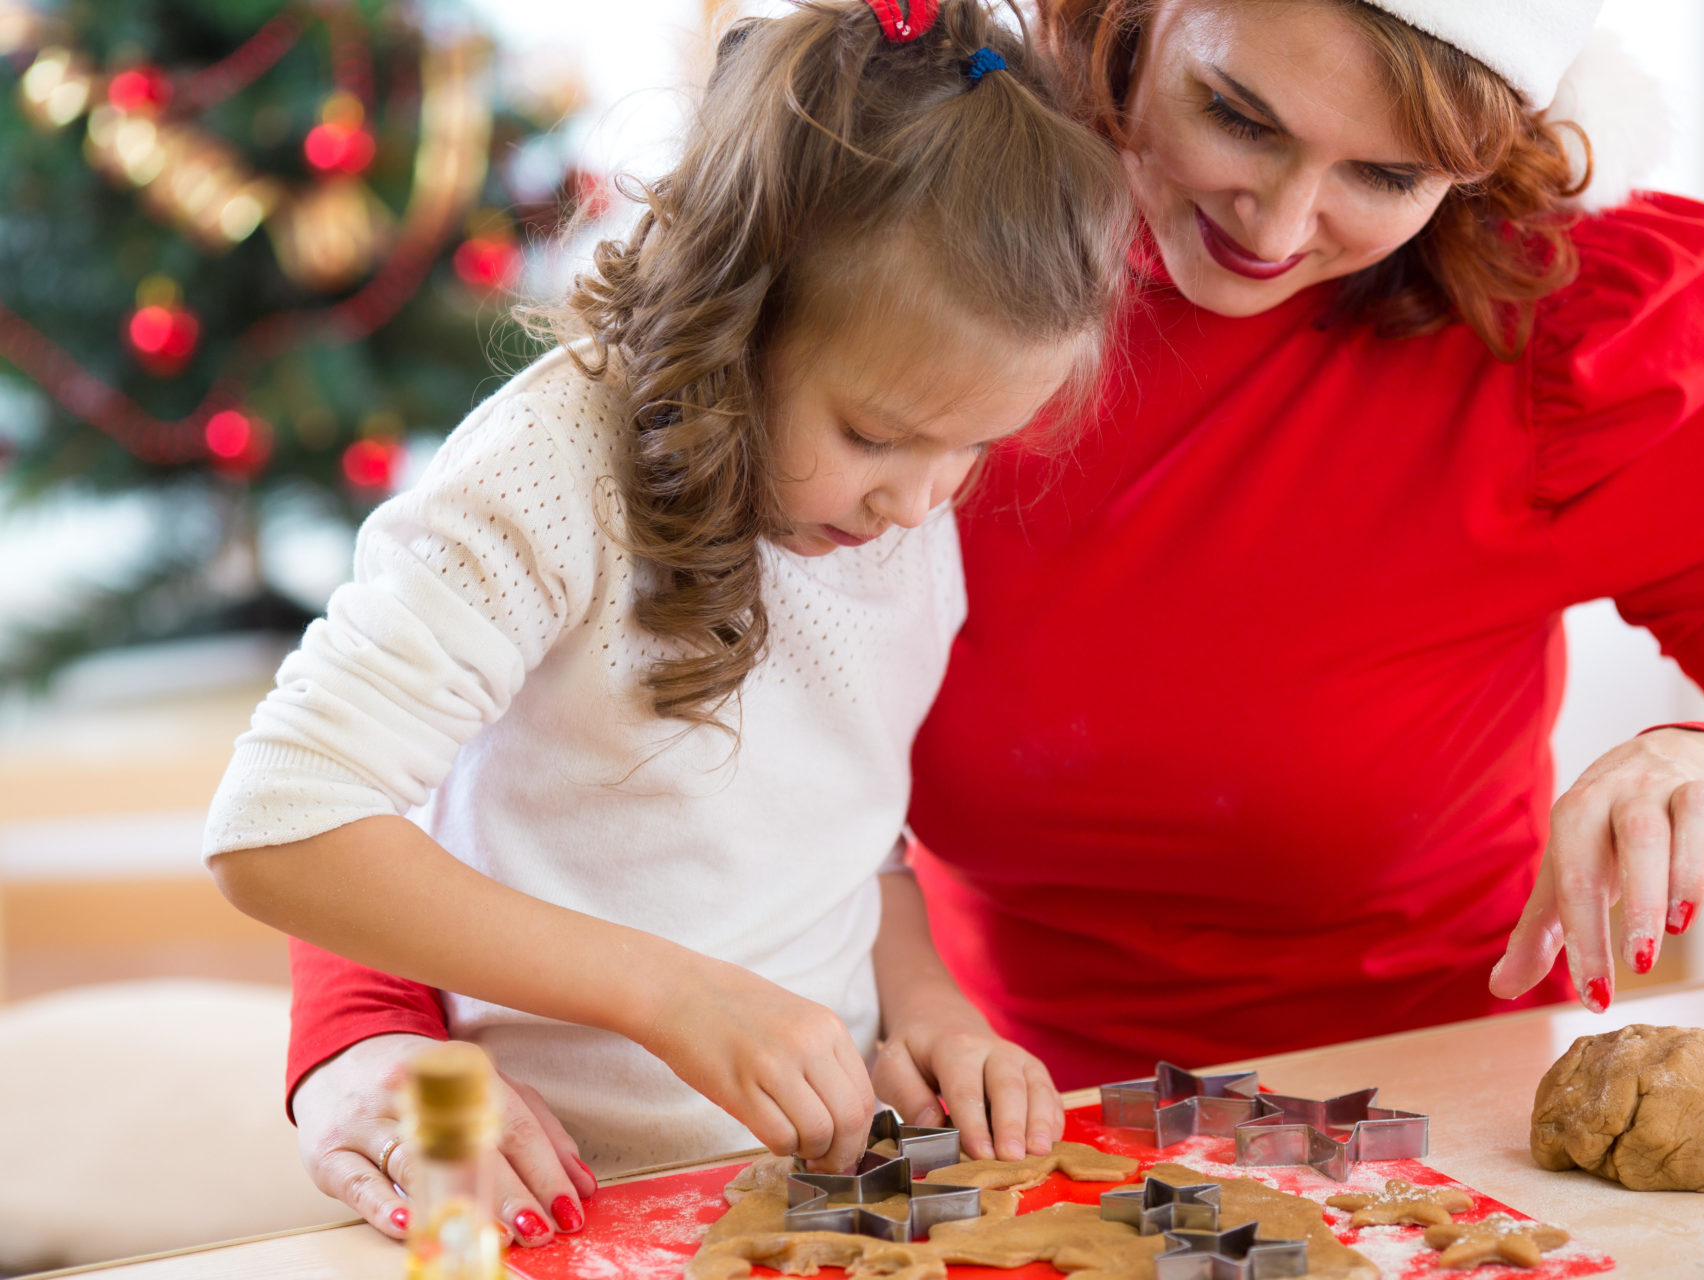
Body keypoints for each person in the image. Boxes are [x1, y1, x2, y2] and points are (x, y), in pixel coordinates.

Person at [283, 0, 1704, 1246]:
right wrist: (367, 1044)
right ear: (1123, 22)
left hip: (1418, 1141)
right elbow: (458, 722)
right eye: (1237, 116)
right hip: (970, 1137)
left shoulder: (1576, 352)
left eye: (1386, 175)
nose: (1280, 228)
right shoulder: (903, 276)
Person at [203, 0, 1134, 1247]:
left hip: (825, 1197)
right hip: (553, 1194)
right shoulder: (549, 470)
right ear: (740, 308)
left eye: (973, 446)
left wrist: (933, 1010)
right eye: (876, 434)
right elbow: (279, 820)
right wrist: (672, 992)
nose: (920, 499)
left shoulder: (891, 506)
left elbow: (857, 834)